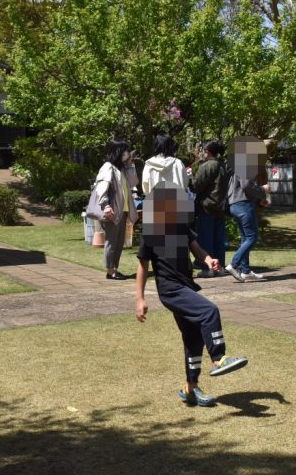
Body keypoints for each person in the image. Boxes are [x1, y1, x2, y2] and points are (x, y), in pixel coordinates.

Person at [135, 182, 248, 407]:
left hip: (186, 285)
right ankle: (219, 359)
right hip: (170, 290)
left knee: (194, 338)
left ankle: (190, 388)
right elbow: (142, 266)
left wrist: (208, 259)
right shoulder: (150, 232)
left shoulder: (182, 226)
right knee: (209, 311)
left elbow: (196, 248)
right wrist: (140, 298)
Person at [224, 137, 270, 282]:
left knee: (246, 238)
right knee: (252, 237)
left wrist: (259, 199)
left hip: (235, 205)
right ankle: (234, 264)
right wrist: (262, 190)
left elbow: (241, 188)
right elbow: (246, 186)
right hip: (243, 205)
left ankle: (245, 271)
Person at [94, 140, 138, 280]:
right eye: (125, 151)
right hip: (112, 210)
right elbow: (101, 188)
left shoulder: (122, 168)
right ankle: (110, 270)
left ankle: (114, 269)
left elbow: (134, 182)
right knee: (112, 241)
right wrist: (105, 205)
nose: (127, 154)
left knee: (119, 242)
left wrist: (130, 164)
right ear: (118, 151)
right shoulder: (108, 167)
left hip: (122, 211)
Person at [188, 140, 231, 276]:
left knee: (205, 238)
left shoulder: (207, 166)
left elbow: (196, 186)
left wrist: (189, 178)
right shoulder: (224, 166)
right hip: (220, 207)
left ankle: (207, 268)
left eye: (203, 150)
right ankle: (220, 267)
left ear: (208, 152)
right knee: (219, 239)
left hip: (206, 206)